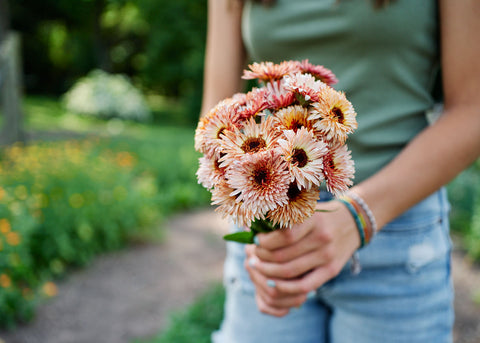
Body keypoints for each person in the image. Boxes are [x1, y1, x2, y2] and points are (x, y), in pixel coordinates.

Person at [200, 0, 480, 342]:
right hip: (274, 234)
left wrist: (356, 215)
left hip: (395, 230)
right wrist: (253, 216)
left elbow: (472, 109)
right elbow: (215, 119)